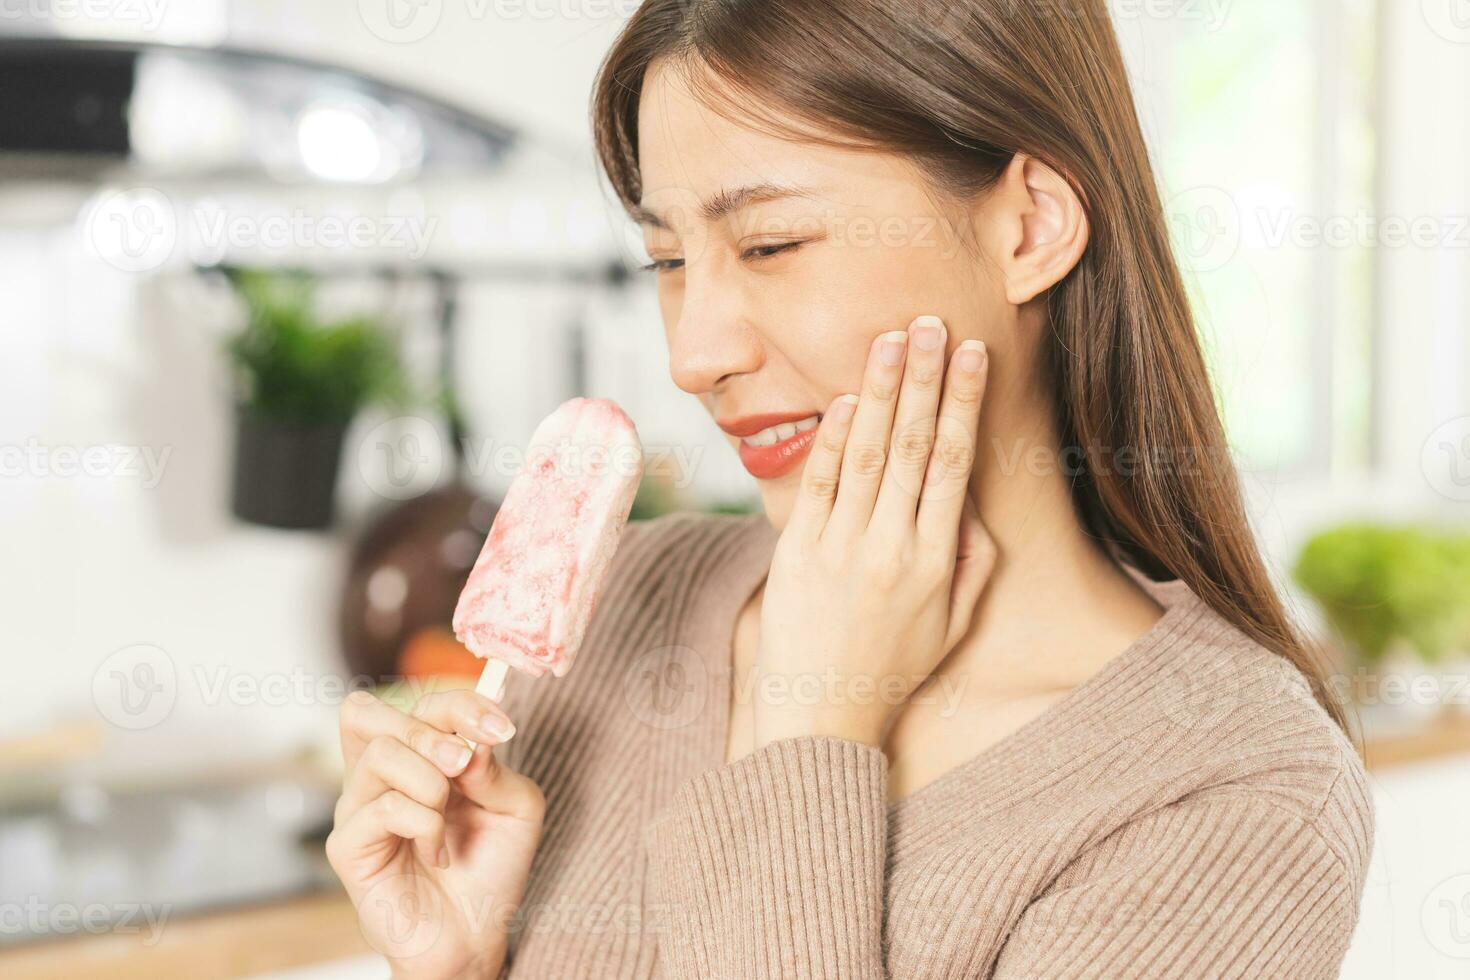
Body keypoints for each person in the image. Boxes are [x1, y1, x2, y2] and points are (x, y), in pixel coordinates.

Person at [326, 1, 1373, 976]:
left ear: (1031, 228)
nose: (696, 354)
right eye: (668, 259)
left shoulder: (1230, 789)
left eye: (771, 243)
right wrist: (464, 963)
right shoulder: (627, 600)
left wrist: (811, 722)